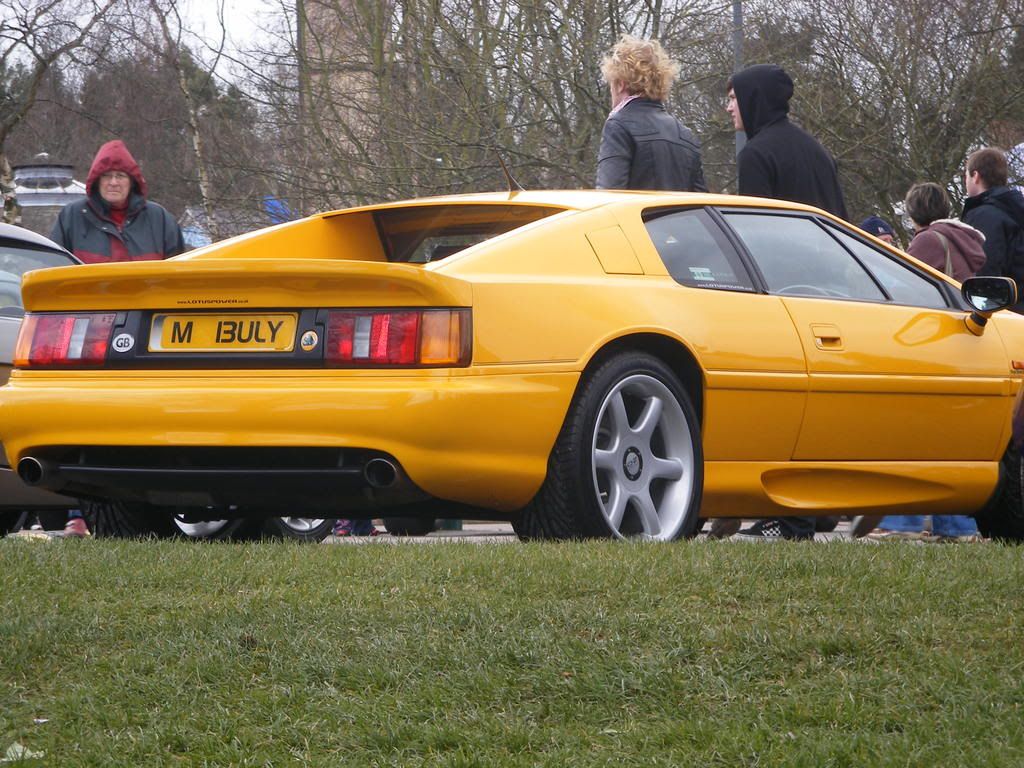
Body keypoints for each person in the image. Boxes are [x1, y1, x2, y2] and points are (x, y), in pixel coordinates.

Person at [725, 64, 847, 541]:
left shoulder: (756, 155)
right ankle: (819, 506)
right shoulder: (815, 149)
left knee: (785, 407)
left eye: (733, 97)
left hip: (788, 298)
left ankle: (790, 517)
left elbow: (757, 234)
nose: (729, 106)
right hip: (834, 294)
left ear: (753, 99)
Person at [49, 140, 185, 537]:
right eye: (106, 176)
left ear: (133, 181)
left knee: (148, 424)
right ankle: (81, 511)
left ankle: (157, 507)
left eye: (120, 176)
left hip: (150, 344)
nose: (113, 183)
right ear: (95, 181)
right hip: (87, 342)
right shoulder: (72, 218)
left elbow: (182, 275)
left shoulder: (160, 220)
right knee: (83, 425)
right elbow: (56, 277)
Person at [855, 183, 986, 543]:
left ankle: (903, 522)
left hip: (931, 340)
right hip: (960, 341)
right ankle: (955, 525)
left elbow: (904, 288)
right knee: (946, 435)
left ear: (913, 212)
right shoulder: (966, 240)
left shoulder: (928, 242)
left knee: (911, 427)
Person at [595, 35, 706, 192]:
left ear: (620, 84)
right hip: (679, 217)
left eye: (611, 85)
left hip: (636, 217)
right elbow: (701, 200)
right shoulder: (685, 134)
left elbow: (609, 196)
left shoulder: (618, 125)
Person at [962, 147, 1024, 313]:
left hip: (1007, 312)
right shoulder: (1015, 209)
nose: (965, 181)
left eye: (966, 176)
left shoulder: (985, 215)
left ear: (975, 176)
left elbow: (985, 269)